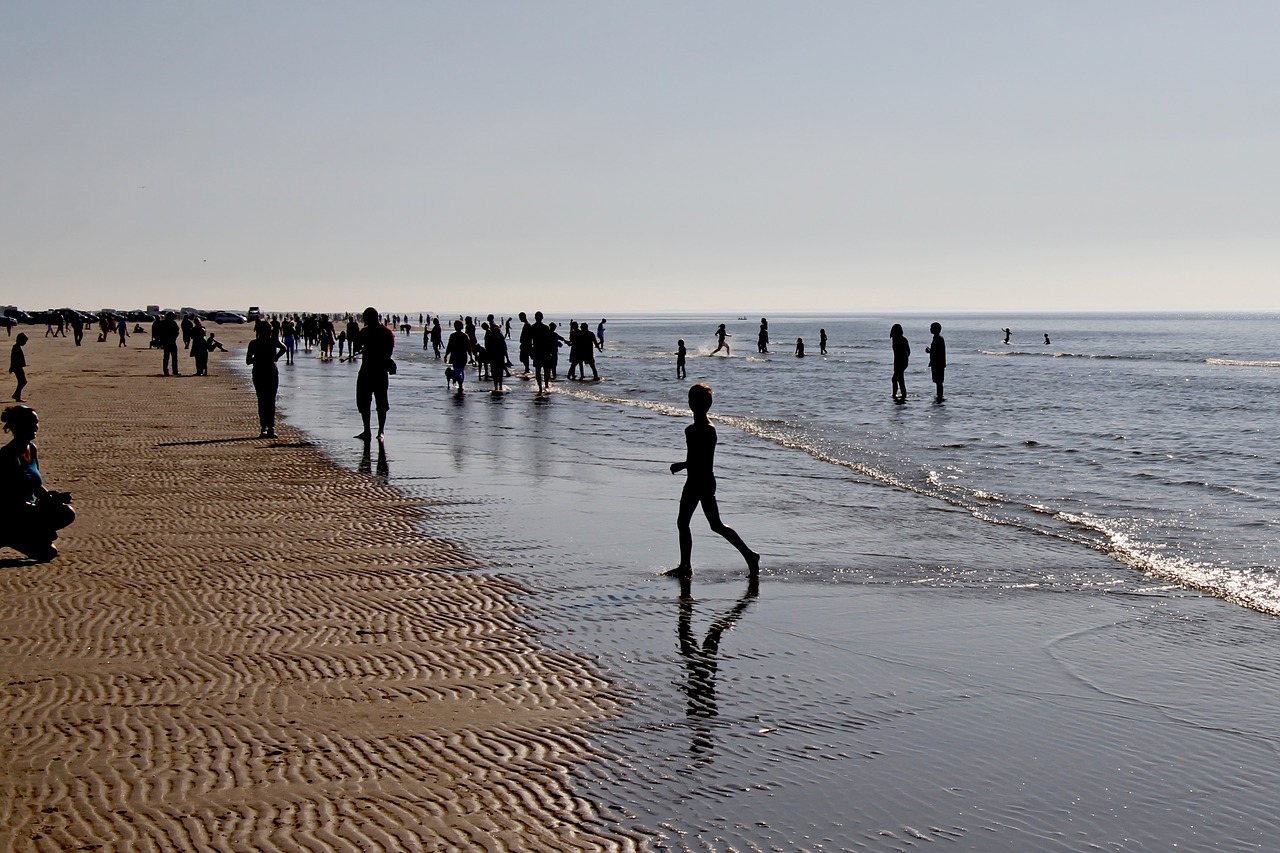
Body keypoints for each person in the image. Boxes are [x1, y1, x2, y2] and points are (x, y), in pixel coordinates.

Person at [665, 384, 760, 578]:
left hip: (703, 481)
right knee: (694, 524)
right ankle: (686, 566)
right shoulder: (691, 429)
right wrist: (686, 466)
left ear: (707, 404)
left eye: (699, 401)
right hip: (694, 480)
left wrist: (682, 465)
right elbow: (694, 458)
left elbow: (703, 460)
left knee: (704, 524)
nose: (694, 404)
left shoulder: (708, 430)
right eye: (691, 400)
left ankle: (749, 555)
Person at [0, 405, 75, 561]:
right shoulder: (7, 455)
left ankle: (34, 535)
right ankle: (10, 536)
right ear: (17, 426)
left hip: (30, 511)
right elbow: (6, 500)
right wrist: (36, 508)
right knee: (46, 552)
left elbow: (36, 485)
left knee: (66, 512)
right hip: (12, 515)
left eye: (36, 422)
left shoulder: (31, 449)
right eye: (29, 423)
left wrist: (51, 497)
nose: (35, 427)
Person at [355, 307, 395, 440]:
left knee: (365, 402)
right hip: (380, 372)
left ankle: (368, 430)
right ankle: (380, 431)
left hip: (368, 371)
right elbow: (389, 352)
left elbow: (356, 346)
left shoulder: (366, 332)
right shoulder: (387, 333)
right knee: (380, 402)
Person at [246, 323, 286, 438]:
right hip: (271, 373)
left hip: (259, 373)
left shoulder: (254, 343)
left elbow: (248, 361)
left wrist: (259, 359)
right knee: (271, 400)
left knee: (262, 400)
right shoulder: (273, 341)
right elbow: (284, 348)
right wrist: (275, 358)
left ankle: (264, 427)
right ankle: (271, 428)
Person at [444, 318, 471, 395]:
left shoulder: (453, 336)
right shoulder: (465, 335)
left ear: (455, 327)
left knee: (457, 370)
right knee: (461, 370)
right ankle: (461, 385)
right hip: (463, 356)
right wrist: (471, 356)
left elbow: (449, 346)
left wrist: (446, 355)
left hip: (455, 356)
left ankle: (460, 385)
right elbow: (469, 347)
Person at [485, 319, 508, 392]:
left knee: (494, 373)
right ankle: (500, 387)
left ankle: (496, 387)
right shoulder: (501, 339)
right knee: (500, 373)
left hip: (493, 357)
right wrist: (507, 359)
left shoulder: (492, 339)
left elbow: (488, 348)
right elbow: (505, 350)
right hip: (500, 357)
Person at [926, 321, 946, 402]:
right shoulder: (938, 338)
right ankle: (939, 396)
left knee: (938, 381)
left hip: (938, 363)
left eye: (932, 328)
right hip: (938, 363)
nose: (930, 329)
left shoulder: (938, 339)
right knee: (938, 381)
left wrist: (929, 351)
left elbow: (936, 352)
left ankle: (939, 396)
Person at [890, 324, 910, 401]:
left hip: (901, 361)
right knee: (899, 379)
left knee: (896, 379)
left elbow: (908, 351)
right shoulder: (896, 339)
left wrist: (904, 359)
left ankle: (897, 395)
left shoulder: (902, 340)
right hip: (898, 361)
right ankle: (901, 395)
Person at [10, 333, 28, 401]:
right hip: (17, 367)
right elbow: (13, 358)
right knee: (23, 381)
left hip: (18, 367)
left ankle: (17, 395)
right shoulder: (16, 347)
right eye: (24, 342)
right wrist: (13, 366)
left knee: (22, 381)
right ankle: (16, 395)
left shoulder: (16, 347)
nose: (25, 343)